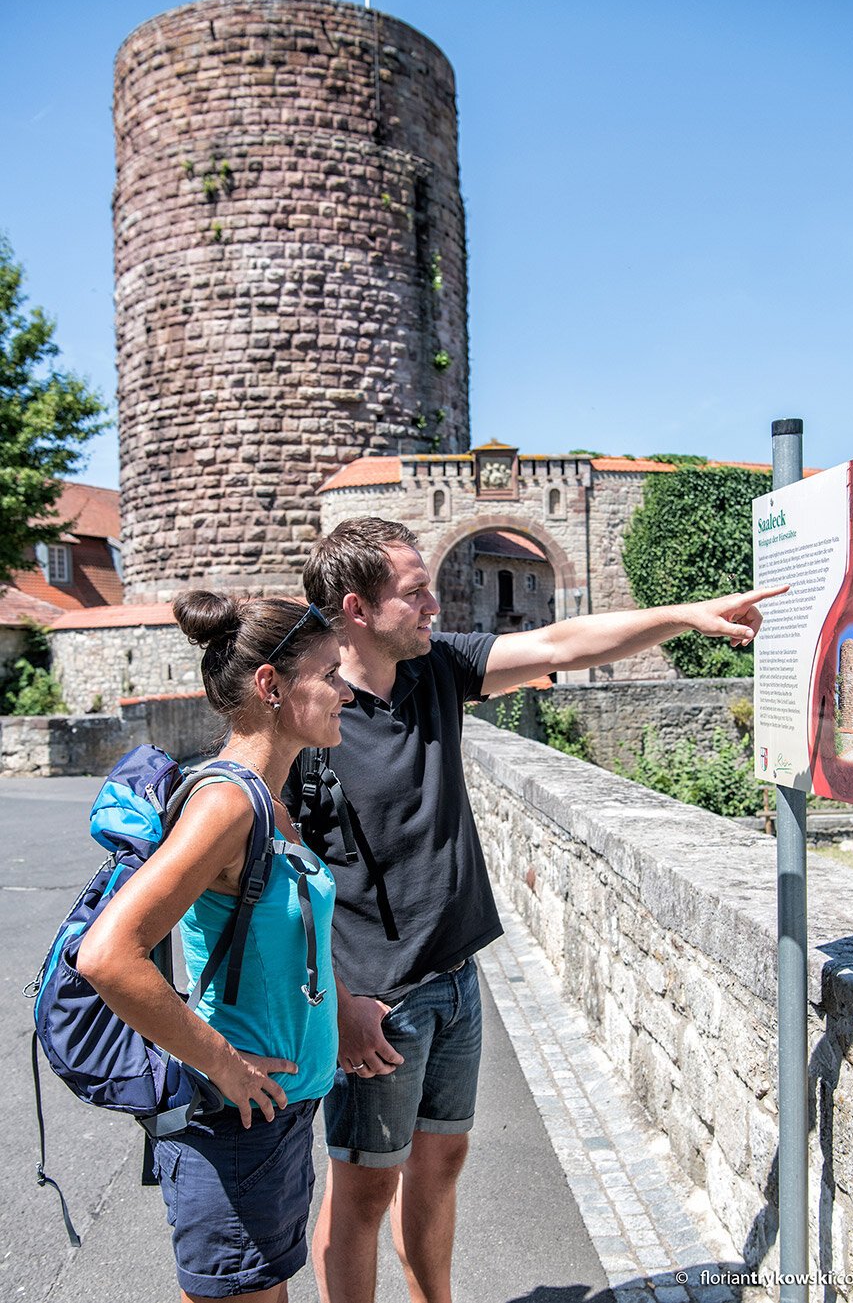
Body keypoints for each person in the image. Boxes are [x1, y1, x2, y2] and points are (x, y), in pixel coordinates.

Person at [285, 518, 784, 1303]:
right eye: (414, 593)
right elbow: (278, 883)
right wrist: (339, 1003)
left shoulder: (435, 669)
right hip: (373, 1002)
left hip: (455, 980)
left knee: (442, 1163)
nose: (432, 607)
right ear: (357, 606)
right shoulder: (310, 716)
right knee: (362, 1192)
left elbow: (563, 644)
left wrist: (686, 612)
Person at [78, 591, 352, 1303]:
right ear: (271, 686)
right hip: (234, 1126)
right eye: (330, 673)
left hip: (281, 1117)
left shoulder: (272, 799)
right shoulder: (227, 804)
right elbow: (109, 955)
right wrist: (224, 1065)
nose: (346, 691)